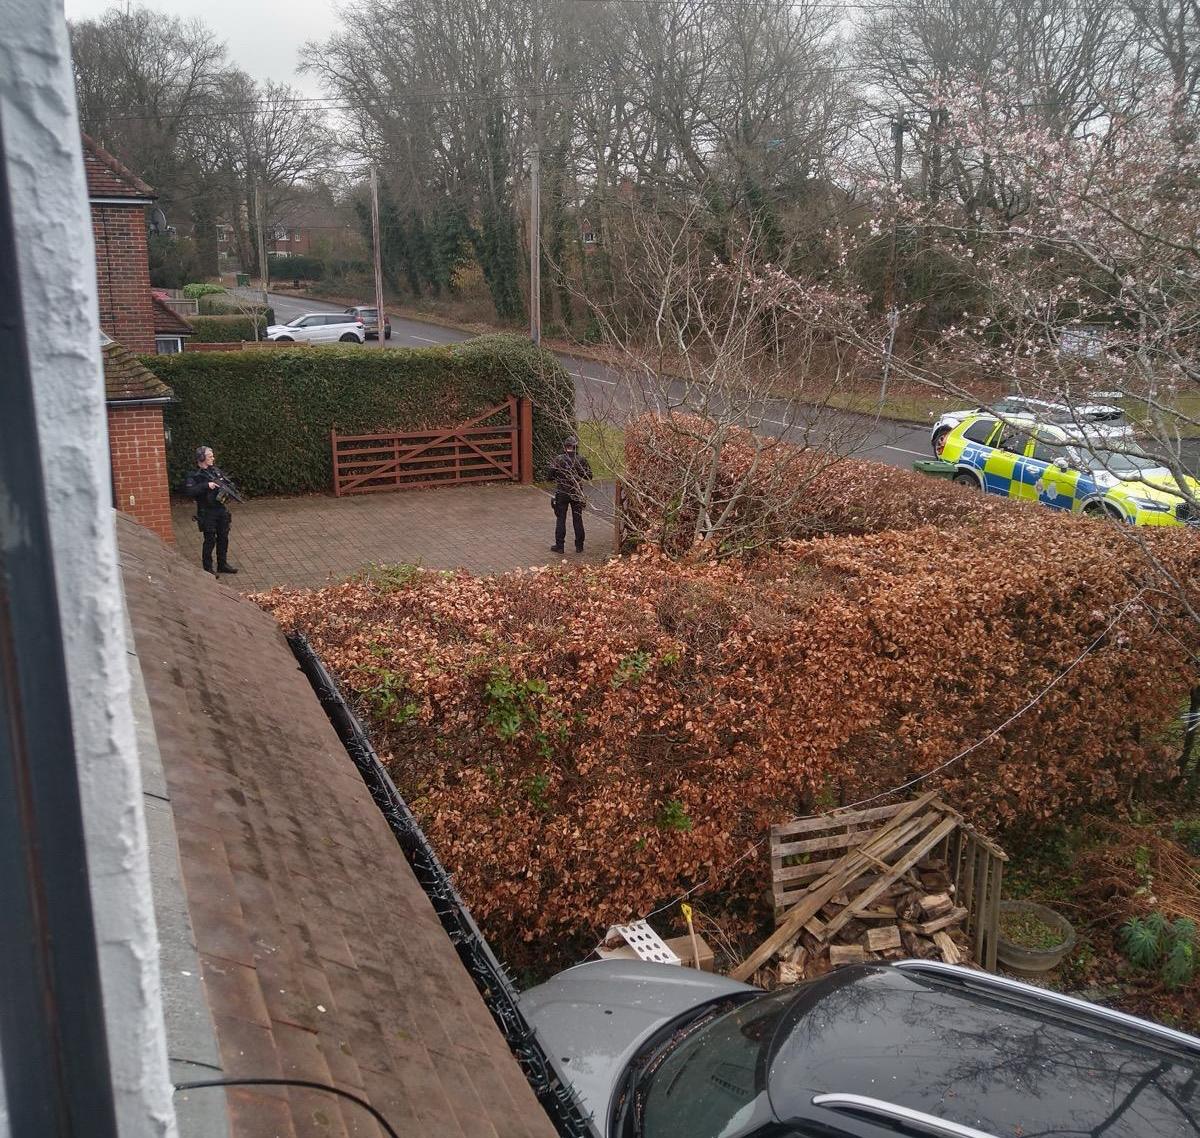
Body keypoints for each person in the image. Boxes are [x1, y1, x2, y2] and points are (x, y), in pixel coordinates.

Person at [183, 445, 239, 575]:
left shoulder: (215, 471)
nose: (213, 458)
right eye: (210, 456)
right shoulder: (194, 475)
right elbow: (190, 491)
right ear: (202, 458)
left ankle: (222, 564)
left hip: (221, 509)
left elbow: (228, 483)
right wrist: (206, 485)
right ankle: (208, 568)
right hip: (206, 512)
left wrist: (228, 488)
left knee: (223, 537)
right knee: (210, 540)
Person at [548, 434, 593, 554]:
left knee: (560, 519)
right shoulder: (581, 459)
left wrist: (559, 477)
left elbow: (549, 476)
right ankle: (579, 546)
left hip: (562, 492)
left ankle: (560, 546)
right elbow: (589, 476)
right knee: (577, 519)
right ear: (575, 447)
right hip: (576, 492)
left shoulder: (558, 459)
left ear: (565, 446)